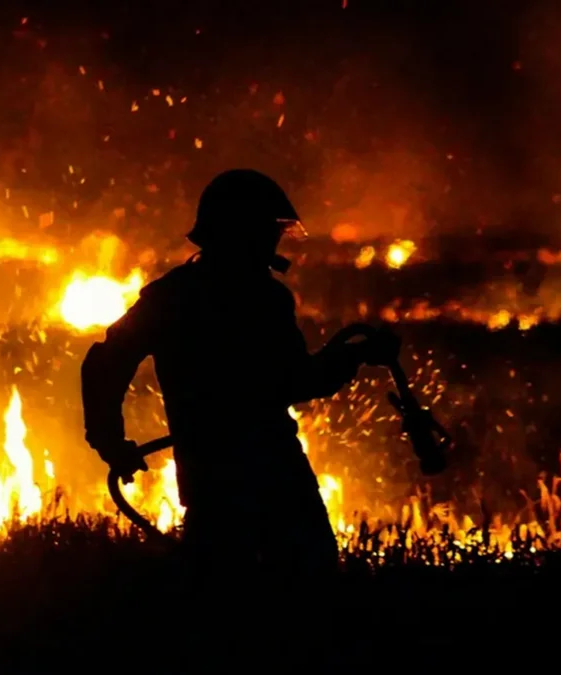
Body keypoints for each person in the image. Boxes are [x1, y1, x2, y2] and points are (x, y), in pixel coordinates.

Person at [80, 169, 396, 626]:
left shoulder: (170, 296)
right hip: (274, 474)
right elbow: (294, 382)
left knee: (218, 604)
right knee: (308, 593)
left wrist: (111, 442)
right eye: (269, 231)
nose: (275, 243)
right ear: (245, 231)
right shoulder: (263, 300)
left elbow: (105, 363)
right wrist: (356, 357)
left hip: (207, 477)